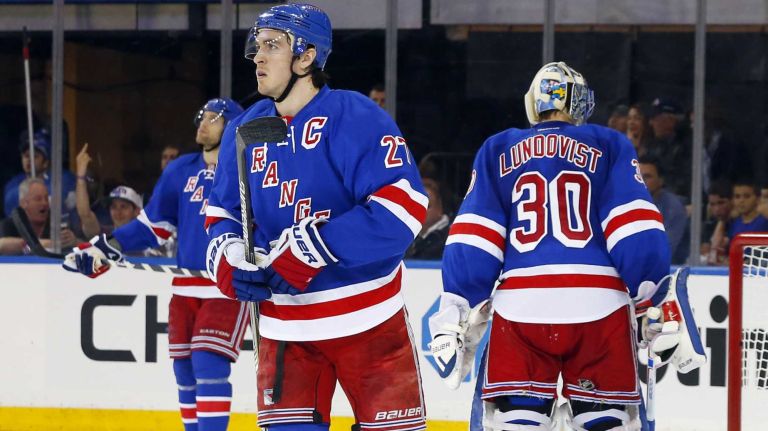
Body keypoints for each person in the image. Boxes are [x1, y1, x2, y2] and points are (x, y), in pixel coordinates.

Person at [204, 5, 428, 431]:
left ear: (306, 57)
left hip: (370, 322)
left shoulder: (354, 116)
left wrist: (313, 249)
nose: (258, 57)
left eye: (273, 45)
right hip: (285, 330)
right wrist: (231, 258)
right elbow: (222, 215)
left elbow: (404, 209)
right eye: (257, 46)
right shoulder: (244, 130)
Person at [430, 62, 675, 431]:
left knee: (517, 418)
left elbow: (476, 234)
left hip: (522, 307)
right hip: (599, 305)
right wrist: (652, 293)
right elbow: (634, 228)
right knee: (605, 418)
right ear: (581, 104)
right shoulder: (609, 143)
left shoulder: (498, 148)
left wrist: (457, 306)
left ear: (534, 102)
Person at [63, 97, 247, 431]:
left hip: (226, 288)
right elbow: (153, 227)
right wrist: (104, 247)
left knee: (209, 363)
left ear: (232, 126)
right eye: (201, 116)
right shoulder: (181, 170)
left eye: (214, 118)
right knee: (185, 370)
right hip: (186, 287)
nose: (202, 124)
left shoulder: (246, 170)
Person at [3, 130, 76, 217]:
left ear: (45, 162)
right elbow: (10, 204)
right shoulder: (13, 183)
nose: (29, 160)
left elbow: (58, 200)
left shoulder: (63, 178)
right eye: (26, 156)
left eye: (35, 156)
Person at [0, 178, 78, 255]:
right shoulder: (9, 225)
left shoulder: (58, 222)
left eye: (46, 198)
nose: (44, 203)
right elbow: (2, 245)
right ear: (23, 203)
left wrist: (74, 242)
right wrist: (46, 244)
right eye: (38, 199)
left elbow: (84, 245)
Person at [638, 156, 690, 264]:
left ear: (660, 181)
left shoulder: (673, 207)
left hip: (670, 271)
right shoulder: (629, 202)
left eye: (647, 176)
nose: (642, 181)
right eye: (638, 176)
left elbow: (665, 250)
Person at [646, 97, 691, 198]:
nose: (651, 123)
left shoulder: (686, 148)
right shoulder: (653, 145)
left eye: (656, 119)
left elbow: (683, 185)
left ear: (671, 121)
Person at [405, 177, 451, 259]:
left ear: (440, 207)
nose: (420, 211)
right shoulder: (407, 235)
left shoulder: (450, 239)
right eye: (416, 206)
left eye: (427, 206)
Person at [701, 179, 734, 265]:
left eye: (721, 203)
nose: (716, 209)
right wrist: (721, 222)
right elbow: (708, 256)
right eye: (712, 204)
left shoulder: (739, 225)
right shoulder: (709, 226)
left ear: (732, 201)